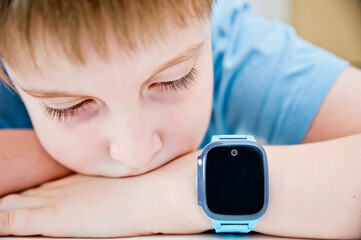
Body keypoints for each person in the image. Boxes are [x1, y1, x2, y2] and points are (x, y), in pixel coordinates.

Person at [0, 0, 360, 238]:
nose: (136, 153)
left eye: (174, 79)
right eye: (69, 107)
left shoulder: (232, 48)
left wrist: (180, 192)